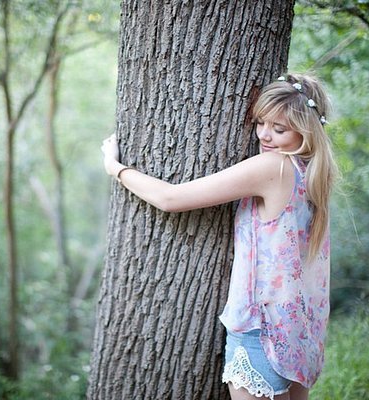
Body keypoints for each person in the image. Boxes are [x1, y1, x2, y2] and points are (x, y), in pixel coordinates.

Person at [101, 73, 337, 400]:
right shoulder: (311, 173)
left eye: (279, 129)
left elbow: (171, 199)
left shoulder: (274, 167)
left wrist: (116, 168)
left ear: (306, 131)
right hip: (298, 334)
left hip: (262, 332)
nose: (264, 136)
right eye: (260, 123)